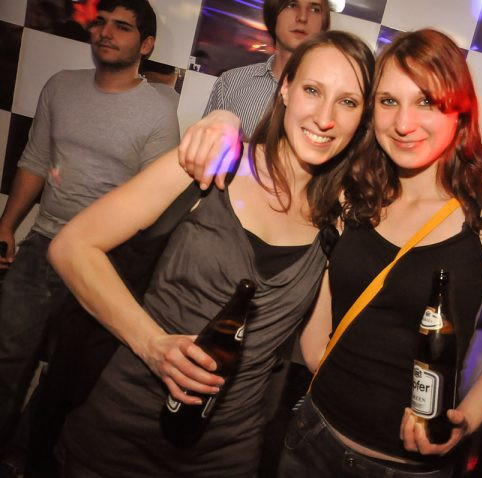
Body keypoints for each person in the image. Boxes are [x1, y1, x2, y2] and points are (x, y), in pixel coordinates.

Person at [48, 30, 374, 476]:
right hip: (119, 434)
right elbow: (72, 246)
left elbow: (317, 350)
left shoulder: (339, 220)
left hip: (227, 454)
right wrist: (152, 344)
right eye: (313, 90)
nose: (325, 117)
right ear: (285, 89)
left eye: (348, 102)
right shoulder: (210, 163)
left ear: (362, 118)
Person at [276, 29, 482, 477]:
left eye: (426, 102)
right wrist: (220, 123)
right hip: (312, 439)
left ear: (460, 110)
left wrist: (468, 417)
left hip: (408, 469)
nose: (403, 123)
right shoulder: (351, 196)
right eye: (389, 101)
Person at [0, 0, 179, 448]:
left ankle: (27, 457)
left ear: (146, 44)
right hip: (43, 243)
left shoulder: (158, 111)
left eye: (122, 27)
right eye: (100, 22)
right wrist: (7, 225)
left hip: (105, 259)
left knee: (67, 376)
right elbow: (35, 161)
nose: (105, 32)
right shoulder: (61, 85)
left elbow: (156, 204)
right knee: (7, 354)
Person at [204, 0, 331, 141]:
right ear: (273, 14)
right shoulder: (230, 84)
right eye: (292, 5)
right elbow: (203, 148)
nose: (302, 17)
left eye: (314, 9)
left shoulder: (333, 96)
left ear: (323, 22)